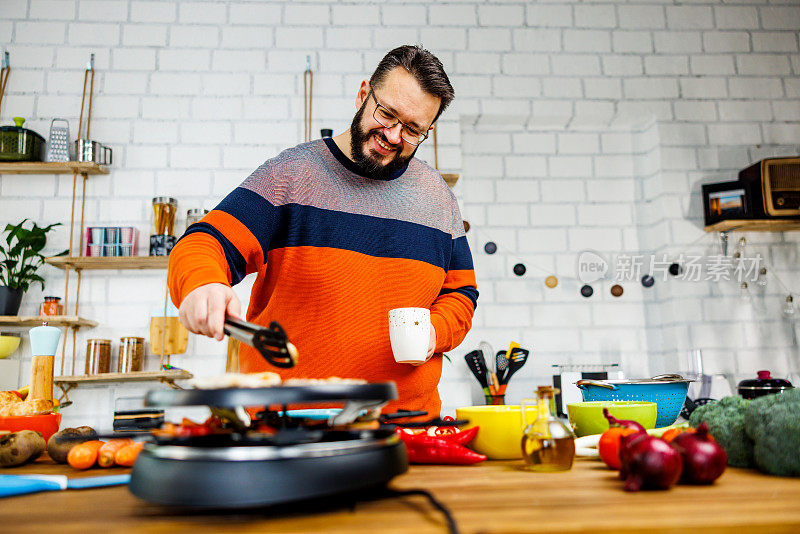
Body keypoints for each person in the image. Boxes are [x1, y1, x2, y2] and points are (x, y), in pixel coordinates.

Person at [167, 45, 478, 416]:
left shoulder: (437, 198)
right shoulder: (291, 174)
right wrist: (202, 283)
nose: (394, 136)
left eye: (412, 130)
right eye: (387, 114)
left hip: (407, 427)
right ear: (364, 94)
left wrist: (433, 333)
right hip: (287, 428)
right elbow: (205, 242)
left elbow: (462, 293)